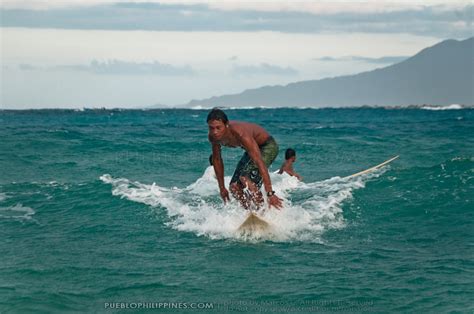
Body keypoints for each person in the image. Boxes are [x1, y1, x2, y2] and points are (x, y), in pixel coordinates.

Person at [207, 108, 283, 210]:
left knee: (245, 178)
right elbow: (217, 160)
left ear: (226, 125)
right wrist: (221, 188)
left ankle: (263, 209)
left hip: (267, 146)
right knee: (234, 187)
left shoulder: (240, 134)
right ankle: (249, 212)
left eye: (218, 128)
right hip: (251, 149)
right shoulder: (213, 137)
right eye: (211, 128)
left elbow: (259, 162)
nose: (215, 132)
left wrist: (270, 193)